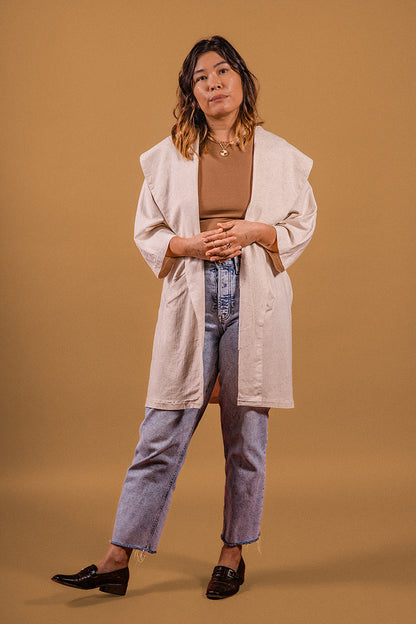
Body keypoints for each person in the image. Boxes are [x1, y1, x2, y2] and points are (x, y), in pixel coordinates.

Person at [52, 35, 317, 600]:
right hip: (194, 294)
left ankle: (232, 553)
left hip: (254, 294)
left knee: (246, 436)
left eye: (224, 71)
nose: (215, 82)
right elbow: (148, 232)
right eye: (202, 77)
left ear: (242, 81)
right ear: (191, 94)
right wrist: (191, 247)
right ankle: (116, 558)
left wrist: (253, 232)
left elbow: (300, 225)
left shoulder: (283, 157)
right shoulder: (166, 157)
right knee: (161, 429)